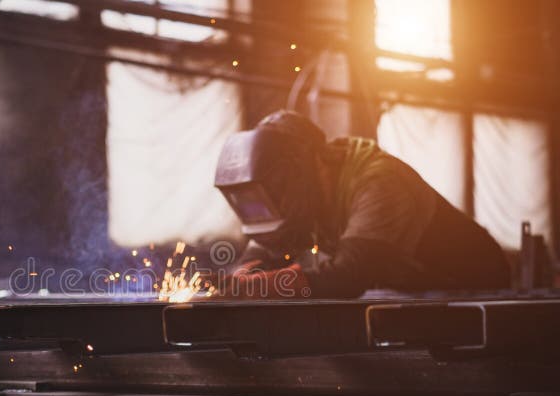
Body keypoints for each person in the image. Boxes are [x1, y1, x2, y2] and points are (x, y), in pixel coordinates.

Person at [214, 110, 510, 298]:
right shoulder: (304, 195)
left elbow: (348, 276)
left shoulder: (380, 182)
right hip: (411, 291)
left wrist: (262, 287)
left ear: (310, 163)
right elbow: (259, 253)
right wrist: (241, 277)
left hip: (475, 287)